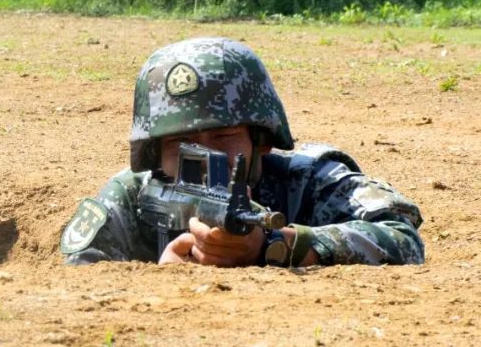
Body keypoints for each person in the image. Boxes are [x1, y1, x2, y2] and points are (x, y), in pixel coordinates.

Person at [60, 37, 424, 267]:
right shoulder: (133, 195)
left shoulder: (309, 179)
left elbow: (403, 239)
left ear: (261, 139)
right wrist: (160, 277)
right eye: (178, 141)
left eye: (222, 135)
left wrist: (278, 246)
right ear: (153, 151)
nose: (203, 157)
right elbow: (80, 271)